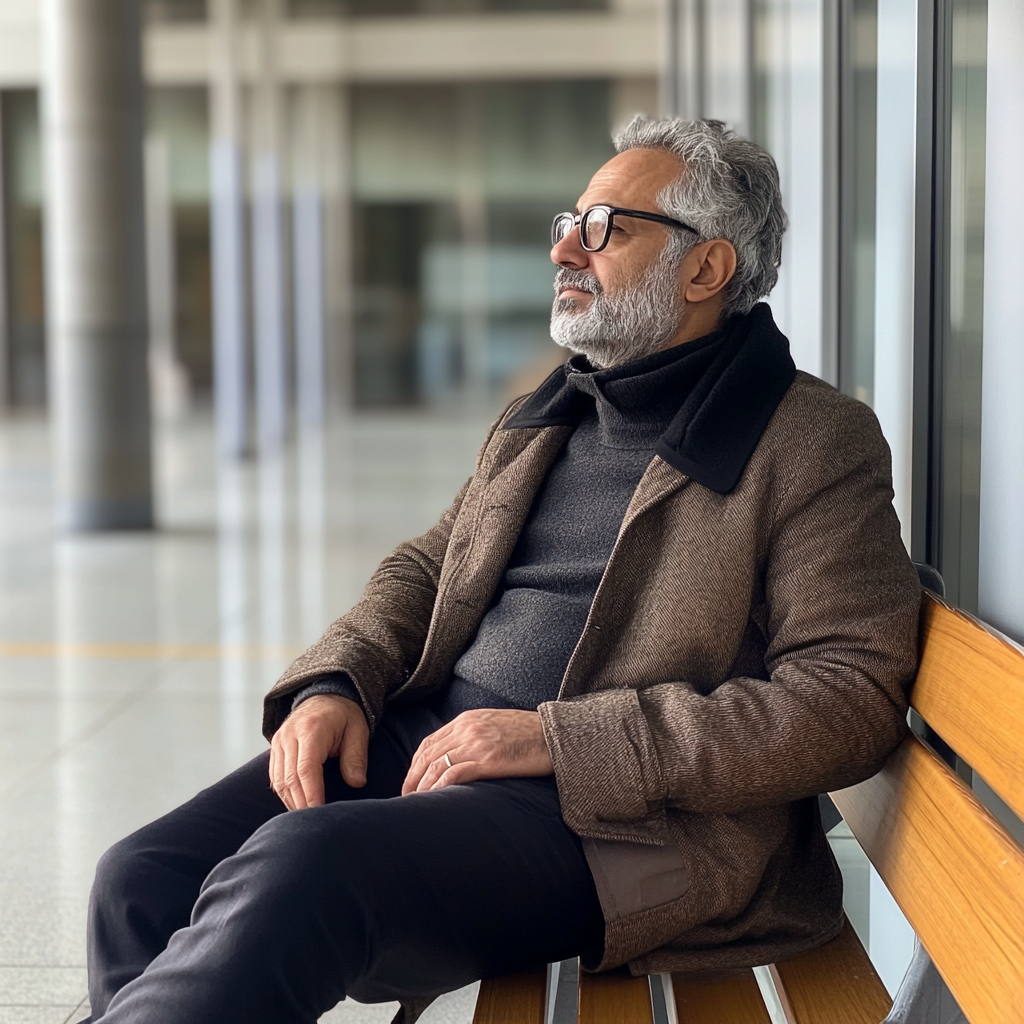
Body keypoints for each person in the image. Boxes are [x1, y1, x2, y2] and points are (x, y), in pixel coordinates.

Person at [79, 118, 920, 1024]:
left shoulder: (810, 442)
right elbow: (429, 566)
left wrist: (558, 740)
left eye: (606, 228)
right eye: (571, 220)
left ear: (706, 269)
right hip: (433, 744)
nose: (565, 245)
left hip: (613, 823)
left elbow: (846, 699)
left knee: (304, 867)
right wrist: (336, 680)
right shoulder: (550, 410)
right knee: (141, 878)